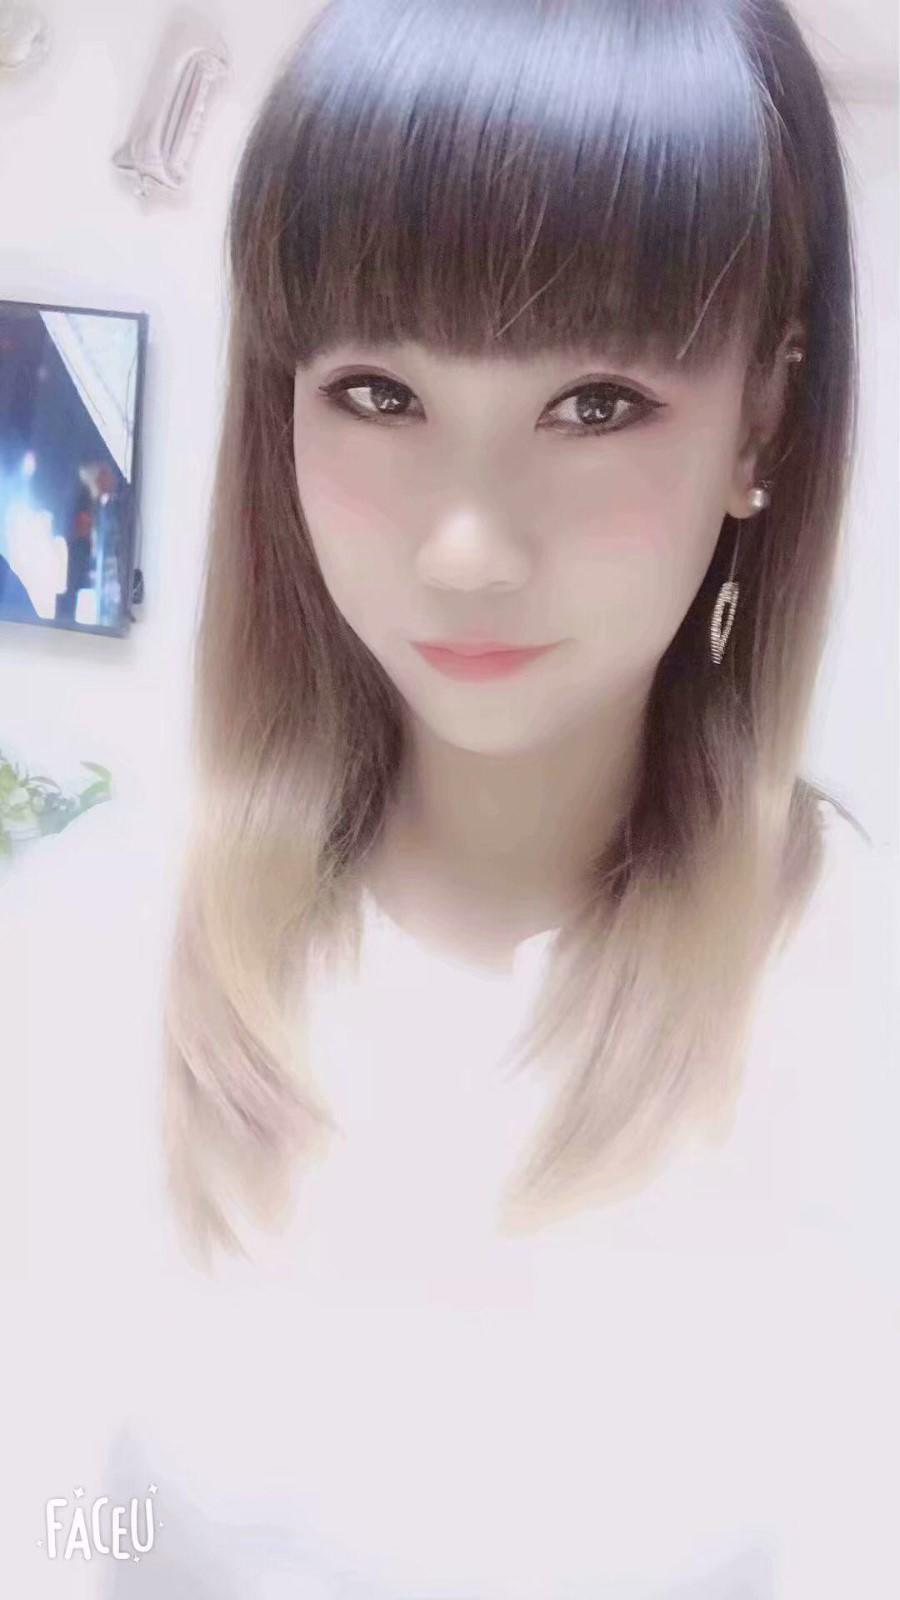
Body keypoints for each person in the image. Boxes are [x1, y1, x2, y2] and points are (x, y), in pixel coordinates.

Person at [6, 1, 897, 1596]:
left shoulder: (854, 1016)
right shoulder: (84, 955)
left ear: (762, 415)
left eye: (596, 403)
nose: (466, 546)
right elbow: (53, 1523)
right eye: (377, 393)